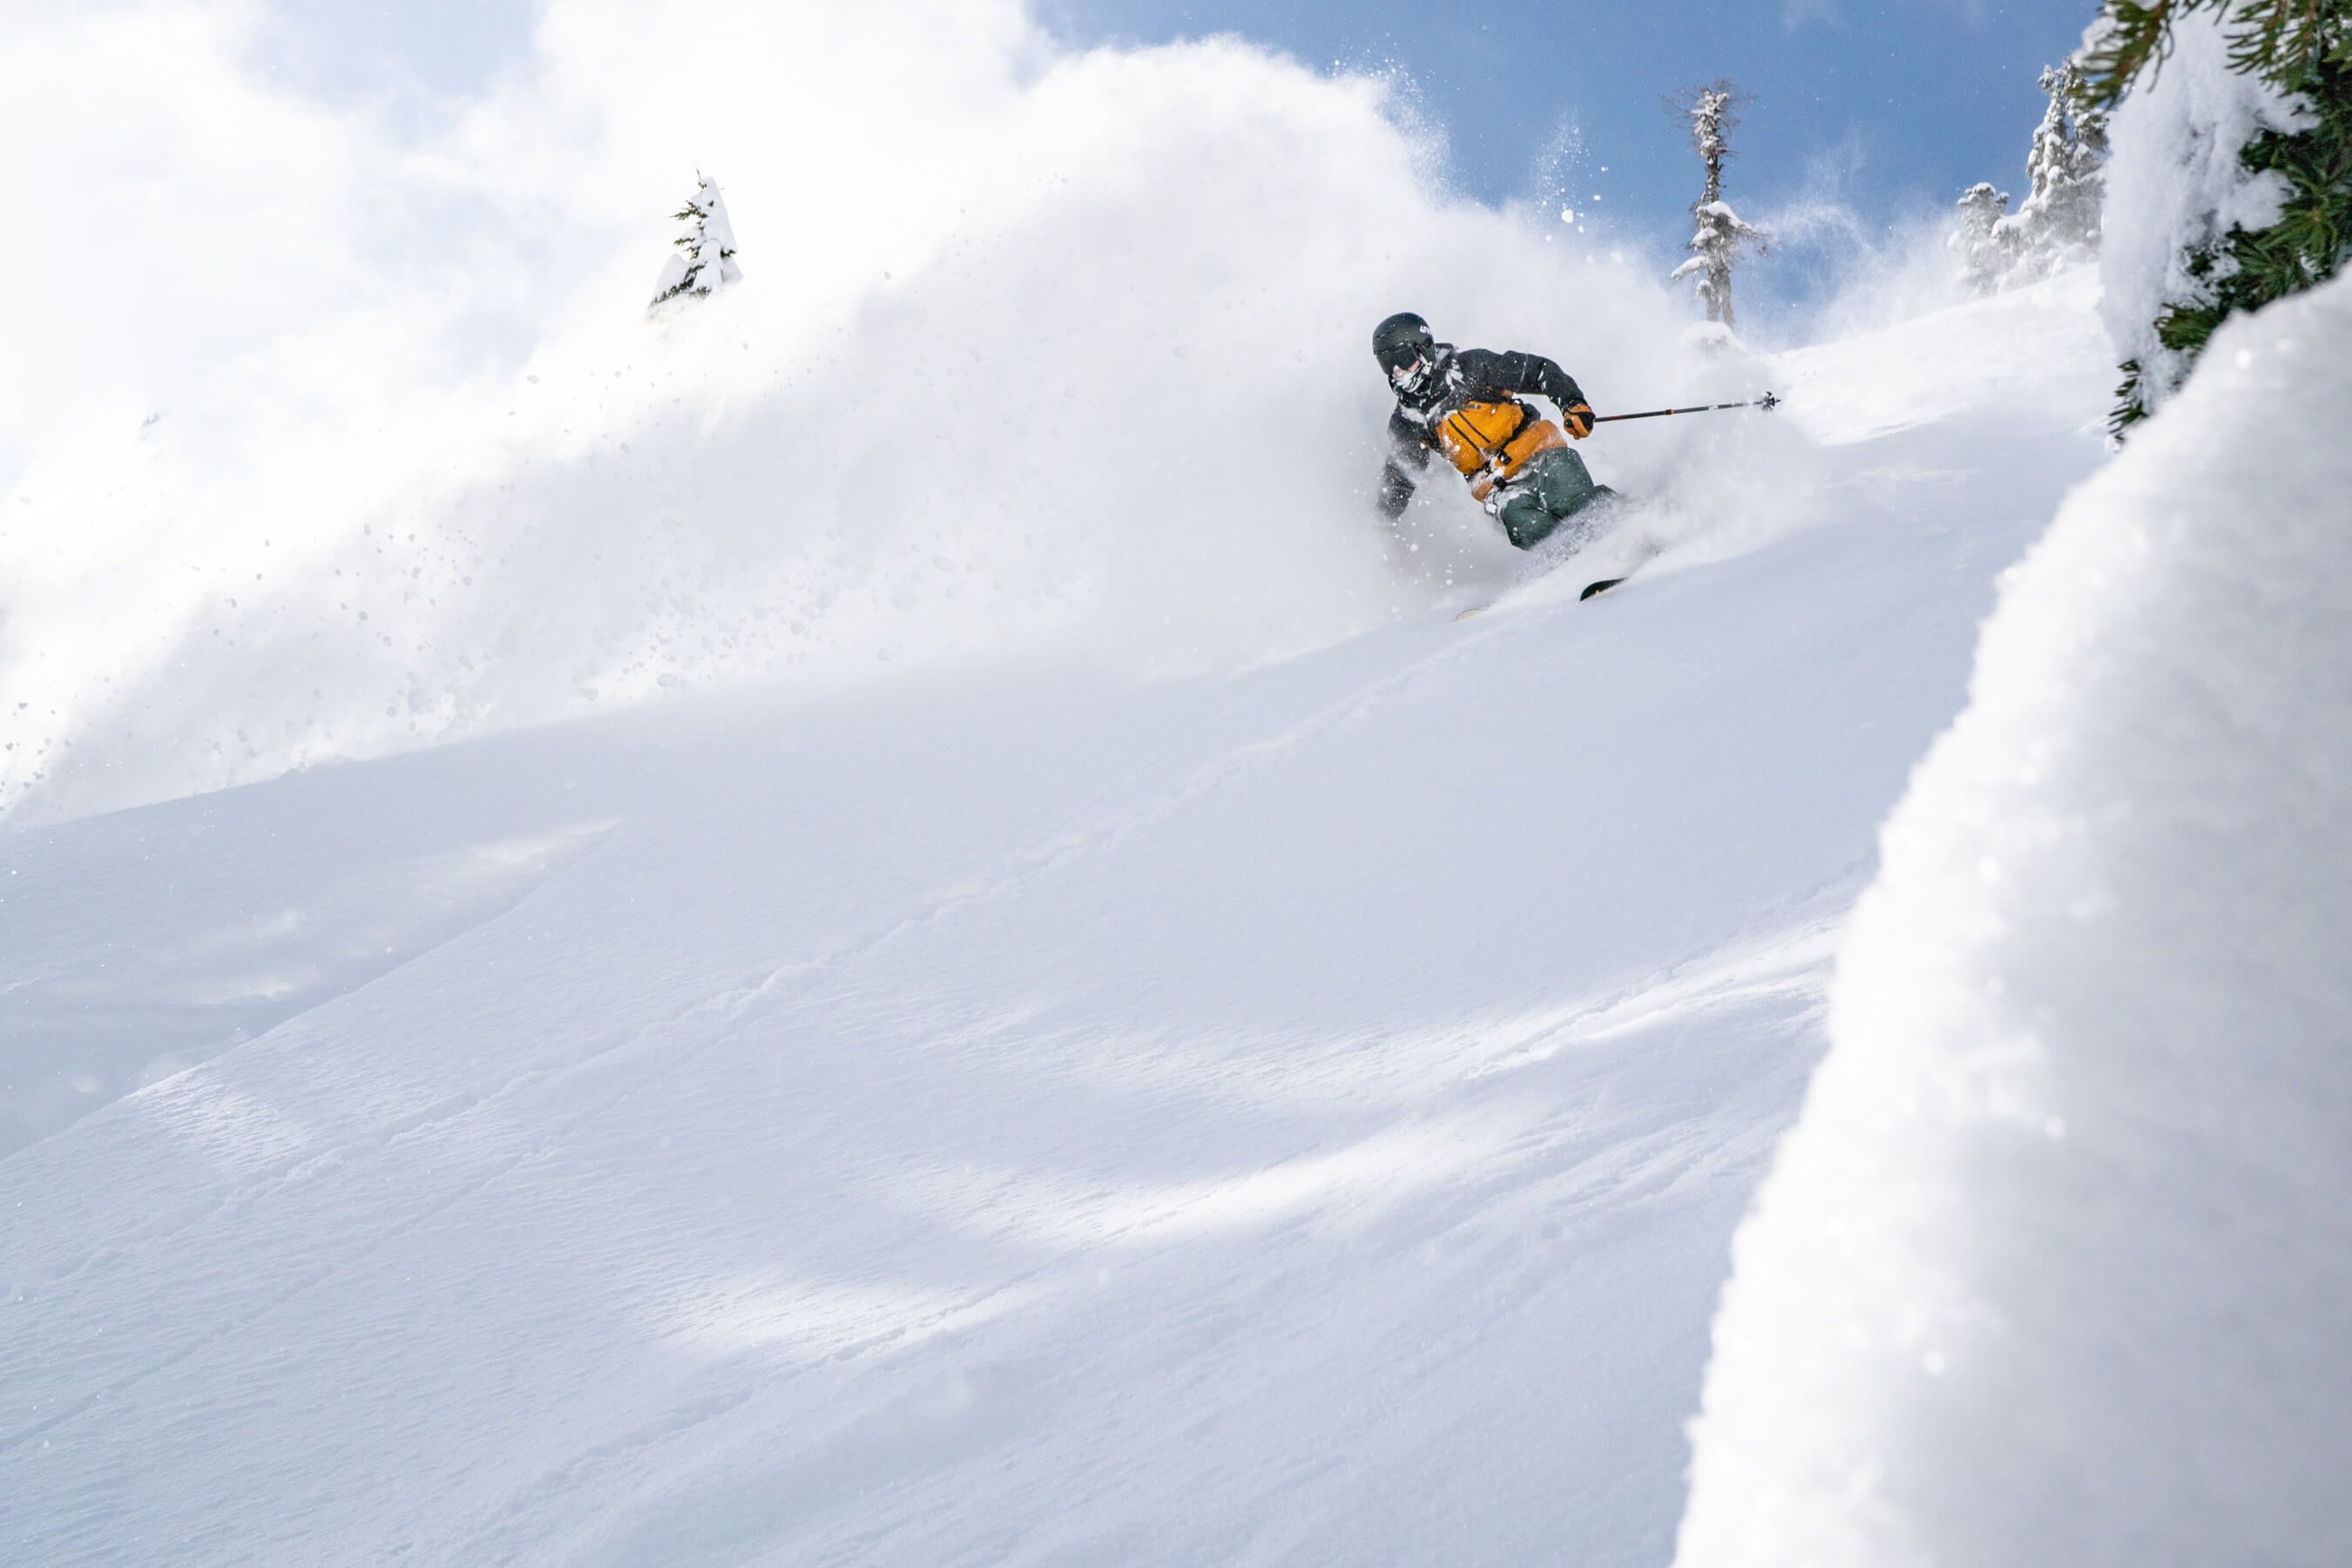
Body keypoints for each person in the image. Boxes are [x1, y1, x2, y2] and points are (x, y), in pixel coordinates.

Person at [1372, 312, 1617, 550]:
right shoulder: (1409, 421)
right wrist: (1380, 524)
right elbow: (1401, 475)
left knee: (1568, 498)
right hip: (1499, 486)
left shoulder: (1471, 368)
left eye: (1403, 358)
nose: (1397, 371)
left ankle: (1619, 528)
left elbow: (1537, 371)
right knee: (1527, 527)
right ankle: (1571, 561)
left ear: (1423, 349)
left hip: (1540, 452)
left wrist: (1572, 403)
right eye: (1388, 363)